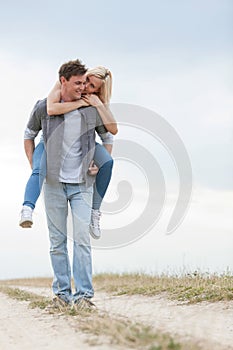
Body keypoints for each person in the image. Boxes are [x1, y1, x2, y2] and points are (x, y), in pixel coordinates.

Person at [23, 58, 111, 308]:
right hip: (53, 185)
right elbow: (28, 135)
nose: (82, 88)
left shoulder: (90, 109)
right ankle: (62, 295)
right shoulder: (44, 107)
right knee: (57, 242)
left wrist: (102, 161)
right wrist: (35, 167)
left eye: (85, 83)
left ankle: (83, 297)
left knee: (82, 239)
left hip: (82, 184)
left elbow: (107, 136)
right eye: (78, 83)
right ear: (63, 82)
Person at [20, 66, 117, 239]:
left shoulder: (94, 105)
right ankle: (27, 209)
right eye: (86, 80)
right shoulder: (61, 86)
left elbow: (111, 133)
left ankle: (95, 211)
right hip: (51, 142)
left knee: (108, 162)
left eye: (92, 86)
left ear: (98, 91)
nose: (85, 86)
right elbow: (50, 109)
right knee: (38, 169)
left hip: (85, 143)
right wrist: (79, 103)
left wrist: (98, 104)